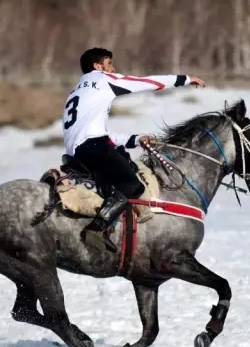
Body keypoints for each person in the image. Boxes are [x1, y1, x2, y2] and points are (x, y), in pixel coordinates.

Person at [62, 47, 206, 252]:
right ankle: (98, 228)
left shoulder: (76, 90)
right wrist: (185, 79)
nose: (113, 68)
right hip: (93, 147)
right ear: (97, 66)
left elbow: (99, 134)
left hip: (79, 150)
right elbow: (146, 83)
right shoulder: (103, 80)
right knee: (133, 186)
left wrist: (136, 139)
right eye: (109, 63)